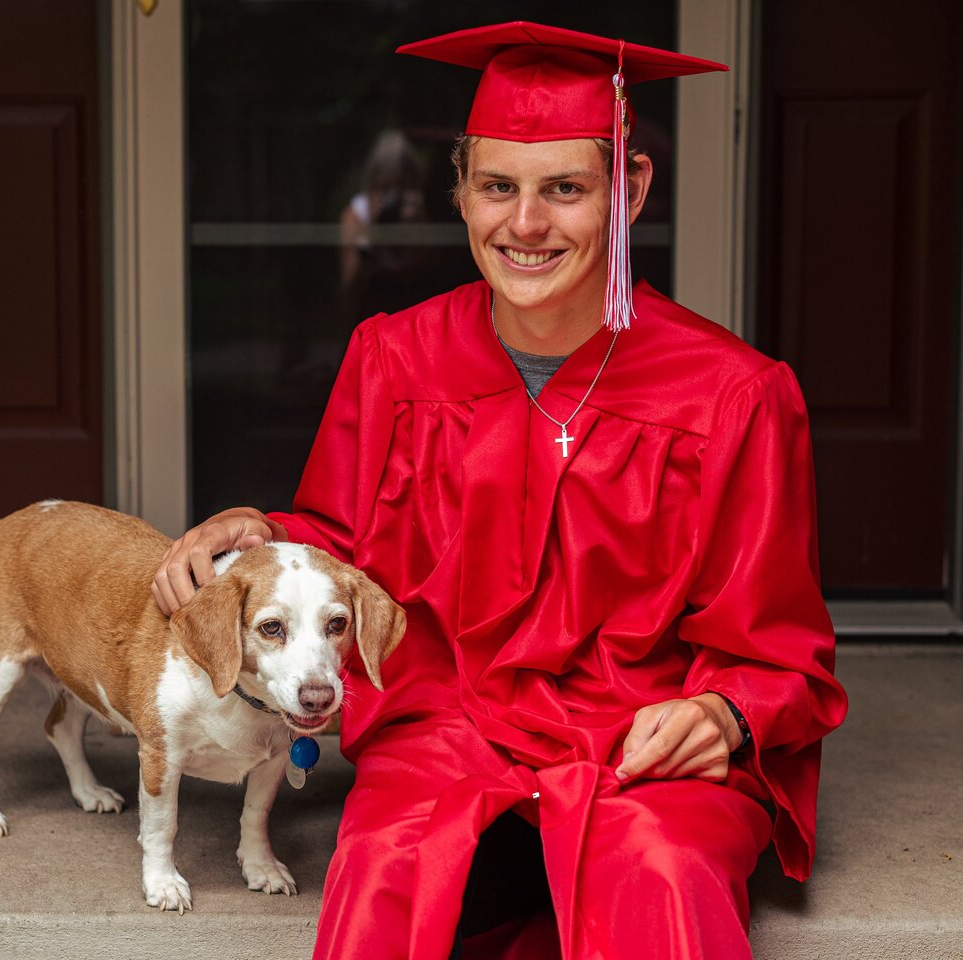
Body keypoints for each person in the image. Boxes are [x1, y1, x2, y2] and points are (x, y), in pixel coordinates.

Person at [154, 21, 848, 960]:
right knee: (396, 861)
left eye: (566, 188)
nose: (526, 224)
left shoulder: (734, 395)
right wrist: (260, 530)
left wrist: (723, 715)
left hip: (640, 751)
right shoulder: (393, 357)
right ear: (462, 194)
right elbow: (335, 543)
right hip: (446, 727)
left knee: (654, 867)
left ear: (629, 192)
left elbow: (783, 655)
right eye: (498, 188)